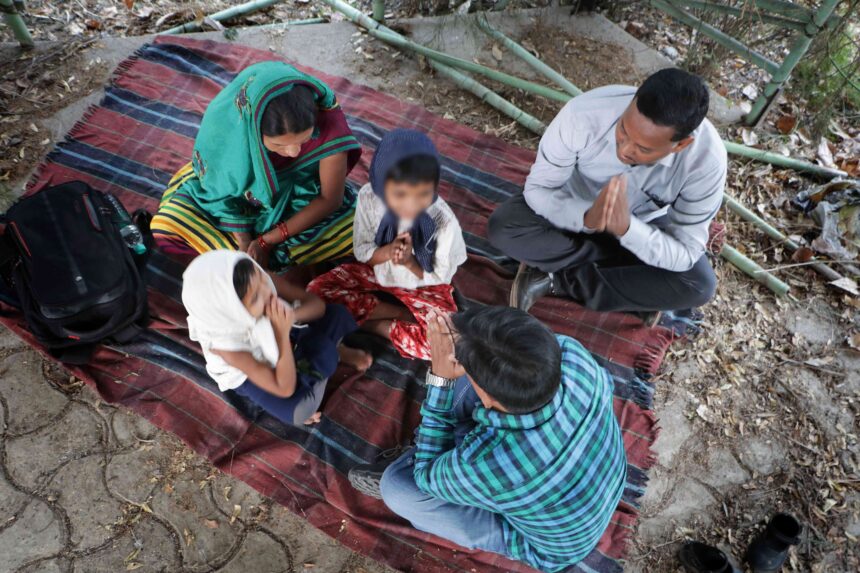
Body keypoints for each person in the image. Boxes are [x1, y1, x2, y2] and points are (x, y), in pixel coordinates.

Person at [348, 306, 627, 572]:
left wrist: (440, 377)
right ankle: (445, 453)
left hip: (550, 547)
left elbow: (423, 477)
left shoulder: (489, 464)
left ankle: (437, 461)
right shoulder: (571, 352)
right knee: (471, 373)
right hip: (601, 483)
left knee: (399, 488)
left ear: (489, 399)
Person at [487, 68, 726, 317]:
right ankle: (631, 282)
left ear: (681, 144)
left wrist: (628, 230)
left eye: (643, 149)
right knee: (505, 228)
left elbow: (686, 252)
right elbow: (538, 190)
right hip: (572, 208)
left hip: (646, 224)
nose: (624, 150)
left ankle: (555, 280)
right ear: (633, 101)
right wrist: (587, 217)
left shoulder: (706, 163)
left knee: (698, 286)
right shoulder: (583, 115)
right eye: (623, 131)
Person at [152, 61, 362, 272]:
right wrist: (243, 239)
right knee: (167, 224)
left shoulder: (329, 125)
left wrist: (267, 241)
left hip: (305, 203)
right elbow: (221, 190)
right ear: (252, 134)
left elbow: (329, 199)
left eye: (304, 140)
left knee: (358, 231)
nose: (294, 152)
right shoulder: (233, 133)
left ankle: (261, 264)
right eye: (279, 144)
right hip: (236, 201)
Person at [308, 129, 467, 360]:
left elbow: (439, 276)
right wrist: (387, 253)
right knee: (315, 293)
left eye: (422, 193)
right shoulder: (369, 198)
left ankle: (373, 325)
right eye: (400, 194)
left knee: (446, 345)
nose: (411, 204)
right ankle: (396, 314)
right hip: (376, 270)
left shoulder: (442, 220)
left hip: (423, 283)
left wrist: (410, 262)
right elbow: (363, 253)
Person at [181, 250, 371, 426]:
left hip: (284, 333)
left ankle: (328, 356)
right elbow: (284, 388)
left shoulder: (260, 279)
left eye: (262, 283)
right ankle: (328, 357)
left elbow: (317, 306)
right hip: (256, 373)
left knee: (335, 314)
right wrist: (280, 334)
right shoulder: (229, 347)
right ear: (233, 314)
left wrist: (289, 319)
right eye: (255, 298)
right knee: (299, 411)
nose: (267, 294)